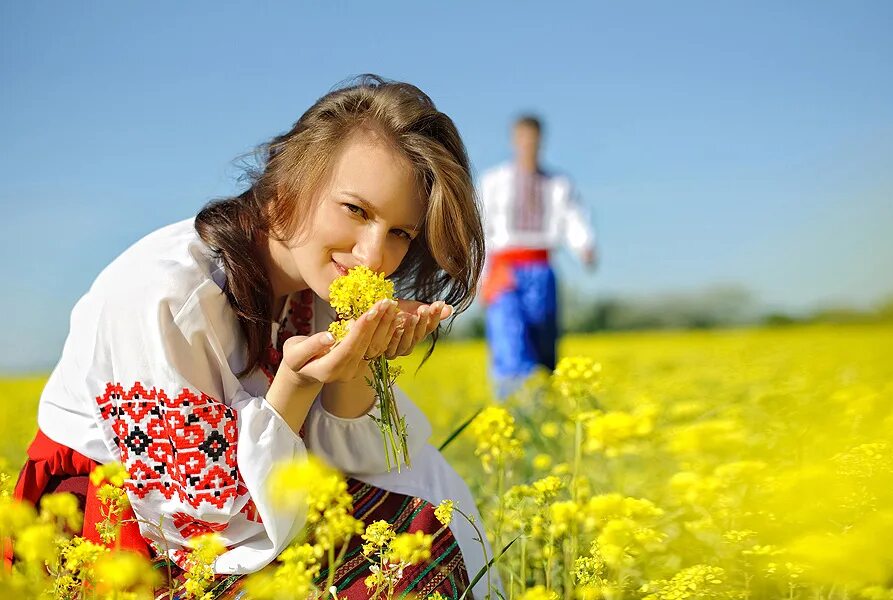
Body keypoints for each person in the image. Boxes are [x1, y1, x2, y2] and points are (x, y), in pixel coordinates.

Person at [12, 75, 492, 599]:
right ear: (289, 182)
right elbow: (203, 524)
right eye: (356, 211)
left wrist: (358, 368)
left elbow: (360, 468)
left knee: (428, 521)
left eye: (401, 233)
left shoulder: (320, 287)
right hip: (126, 537)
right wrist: (298, 384)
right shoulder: (168, 296)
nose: (374, 255)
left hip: (255, 520)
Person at [479, 115, 597, 399]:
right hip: (504, 270)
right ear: (514, 140)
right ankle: (517, 410)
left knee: (544, 342)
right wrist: (479, 276)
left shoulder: (558, 183)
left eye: (533, 138)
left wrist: (584, 245)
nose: (528, 144)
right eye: (523, 138)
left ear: (541, 141)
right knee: (510, 338)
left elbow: (572, 217)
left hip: (541, 269)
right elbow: (480, 227)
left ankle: (546, 407)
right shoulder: (493, 181)